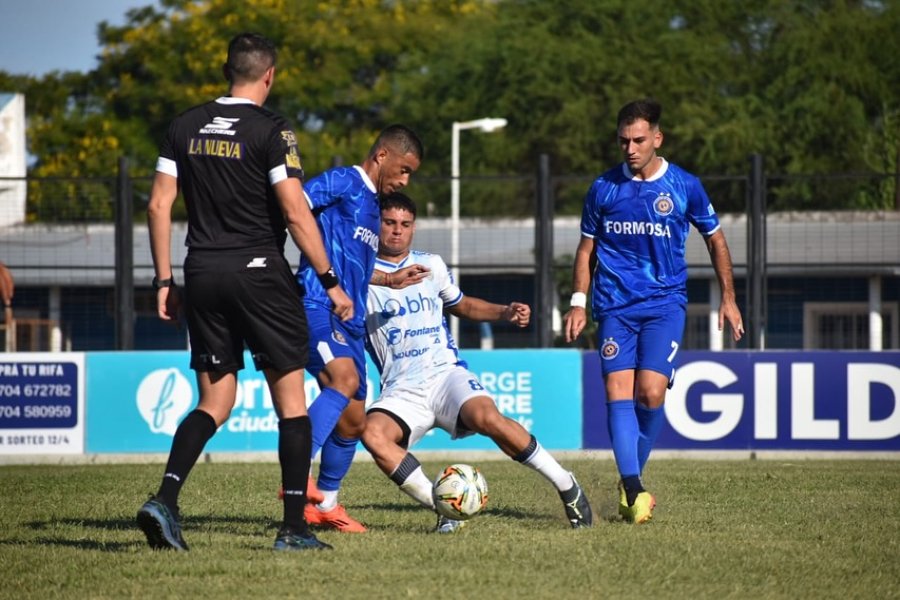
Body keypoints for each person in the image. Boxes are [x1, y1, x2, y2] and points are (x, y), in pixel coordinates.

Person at [138, 32, 353, 552]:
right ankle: (293, 528)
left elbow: (157, 206)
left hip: (202, 271)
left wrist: (164, 280)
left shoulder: (183, 126)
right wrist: (329, 280)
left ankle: (165, 499)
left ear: (228, 69)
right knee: (292, 405)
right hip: (260, 274)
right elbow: (297, 212)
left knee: (215, 400)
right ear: (269, 74)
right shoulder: (271, 130)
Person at [361, 192, 593, 533]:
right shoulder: (359, 273)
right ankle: (443, 508)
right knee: (372, 433)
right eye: (389, 223)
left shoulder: (432, 265)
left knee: (487, 417)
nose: (397, 231)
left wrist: (504, 311)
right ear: (376, 224)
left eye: (405, 224)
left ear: (414, 228)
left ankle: (566, 485)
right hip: (401, 389)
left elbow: (462, 305)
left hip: (445, 376)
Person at [563, 99, 744, 524]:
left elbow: (715, 240)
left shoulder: (685, 186)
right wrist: (577, 301)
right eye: (623, 140)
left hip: (665, 305)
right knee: (618, 393)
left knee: (651, 394)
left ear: (657, 138)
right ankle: (633, 487)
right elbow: (586, 248)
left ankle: (632, 479)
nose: (630, 148)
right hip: (615, 306)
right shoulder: (603, 188)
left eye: (639, 140)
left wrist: (729, 297)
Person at [294, 125, 426, 533]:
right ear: (383, 155)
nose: (404, 182)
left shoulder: (372, 205)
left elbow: (354, 266)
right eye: (403, 170)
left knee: (352, 422)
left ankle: (327, 506)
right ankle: (296, 478)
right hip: (317, 303)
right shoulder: (344, 181)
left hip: (349, 319)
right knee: (344, 379)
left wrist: (388, 280)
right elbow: (293, 205)